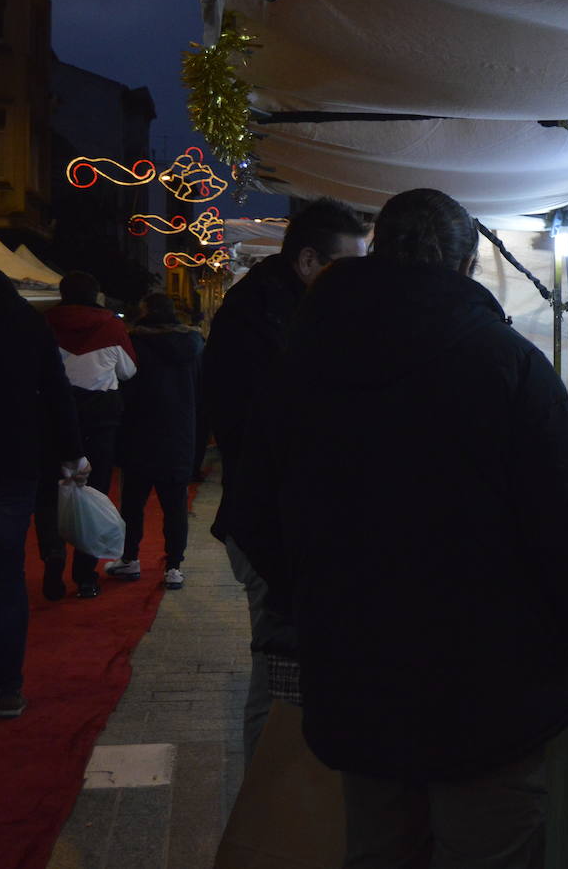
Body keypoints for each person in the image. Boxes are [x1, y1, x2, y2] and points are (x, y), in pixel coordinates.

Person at [228, 188, 568, 868]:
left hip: (356, 671)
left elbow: (253, 510)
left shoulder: (301, 362)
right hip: (490, 685)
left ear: (375, 252)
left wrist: (312, 598)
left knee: (379, 847)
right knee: (486, 848)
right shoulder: (507, 362)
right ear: (466, 265)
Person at [201, 198, 370, 765]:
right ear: (307, 261)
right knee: (277, 674)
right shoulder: (267, 319)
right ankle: (265, 808)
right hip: (269, 524)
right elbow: (270, 436)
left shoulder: (282, 307)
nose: (356, 279)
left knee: (282, 667)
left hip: (274, 518)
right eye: (346, 264)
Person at [0, 237, 86, 717]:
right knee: (8, 580)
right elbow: (56, 390)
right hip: (14, 461)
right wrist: (72, 451)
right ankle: (8, 689)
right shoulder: (24, 321)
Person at [35, 270, 137, 599]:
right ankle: (85, 575)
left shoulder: (44, 323)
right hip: (100, 423)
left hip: (52, 421)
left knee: (48, 495)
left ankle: (52, 555)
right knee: (94, 493)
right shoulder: (111, 325)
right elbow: (128, 370)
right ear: (96, 294)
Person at [108, 293, 204, 589]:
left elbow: (124, 389)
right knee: (175, 505)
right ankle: (174, 565)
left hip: (139, 434)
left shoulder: (134, 342)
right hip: (179, 434)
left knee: (133, 503)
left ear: (146, 311)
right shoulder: (194, 345)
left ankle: (130, 558)